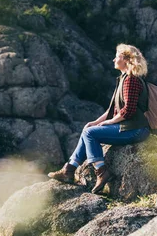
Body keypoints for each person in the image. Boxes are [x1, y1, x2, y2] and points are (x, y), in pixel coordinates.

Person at [48, 44, 151, 193]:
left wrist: (107, 123)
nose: (114, 59)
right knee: (89, 129)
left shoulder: (131, 80)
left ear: (126, 60)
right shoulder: (123, 79)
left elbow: (128, 111)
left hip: (136, 130)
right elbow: (113, 110)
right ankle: (69, 170)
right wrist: (96, 122)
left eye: (117, 56)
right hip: (129, 127)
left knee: (90, 134)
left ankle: (101, 172)